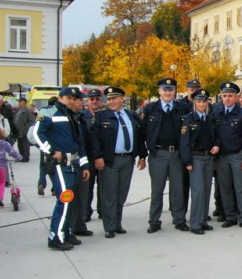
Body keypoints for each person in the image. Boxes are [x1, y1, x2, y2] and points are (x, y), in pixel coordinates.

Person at [33, 87, 90, 251]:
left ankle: (65, 232)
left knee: (70, 201)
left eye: (75, 98)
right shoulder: (50, 112)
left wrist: (84, 164)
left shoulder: (74, 116)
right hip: (58, 164)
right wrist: (51, 151)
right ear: (62, 98)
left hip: (73, 163)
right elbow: (38, 134)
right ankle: (55, 237)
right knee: (65, 199)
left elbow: (79, 143)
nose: (73, 101)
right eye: (70, 98)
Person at [90, 86, 147, 239]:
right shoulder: (101, 116)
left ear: (123, 99)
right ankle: (109, 226)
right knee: (109, 194)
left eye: (114, 98)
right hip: (110, 160)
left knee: (121, 194)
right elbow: (94, 139)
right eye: (109, 99)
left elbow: (140, 137)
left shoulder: (132, 115)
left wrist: (142, 156)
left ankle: (117, 224)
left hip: (128, 159)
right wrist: (98, 157)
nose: (111, 102)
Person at [142, 78, 190, 233]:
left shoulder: (183, 108)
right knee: (157, 190)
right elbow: (143, 132)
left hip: (176, 154)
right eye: (165, 89)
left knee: (178, 189)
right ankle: (154, 221)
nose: (168, 92)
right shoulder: (150, 108)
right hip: (158, 154)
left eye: (171, 89)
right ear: (159, 91)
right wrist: (142, 155)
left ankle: (179, 219)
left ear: (175, 91)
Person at [211, 81, 242, 230]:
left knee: (241, 188)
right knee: (225, 188)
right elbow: (213, 134)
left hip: (238, 155)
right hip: (222, 156)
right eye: (225, 96)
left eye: (230, 96)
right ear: (221, 97)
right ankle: (230, 217)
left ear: (236, 97)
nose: (227, 98)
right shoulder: (216, 113)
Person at [178, 89, 217, 235]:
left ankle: (203, 220)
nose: (201, 104)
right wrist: (187, 161)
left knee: (206, 190)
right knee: (198, 191)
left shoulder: (210, 118)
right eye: (199, 101)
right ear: (195, 103)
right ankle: (195, 224)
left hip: (208, 157)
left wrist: (216, 145)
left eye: (204, 101)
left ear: (207, 102)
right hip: (195, 158)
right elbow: (184, 142)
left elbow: (215, 136)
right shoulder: (189, 119)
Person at [79, 89, 104, 226]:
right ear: (87, 101)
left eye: (97, 99)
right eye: (92, 99)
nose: (94, 101)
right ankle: (86, 212)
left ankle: (102, 210)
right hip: (87, 157)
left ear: (101, 101)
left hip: (102, 157)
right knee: (87, 187)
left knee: (103, 186)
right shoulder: (82, 116)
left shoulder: (105, 115)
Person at [0, 127, 22, 209]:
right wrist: (19, 157)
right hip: (1, 166)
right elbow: (12, 152)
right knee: (1, 182)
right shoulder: (4, 143)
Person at [34, 96, 58, 197]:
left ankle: (41, 183)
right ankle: (54, 188)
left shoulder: (42, 111)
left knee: (43, 164)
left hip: (44, 142)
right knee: (54, 165)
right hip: (55, 142)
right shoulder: (58, 111)